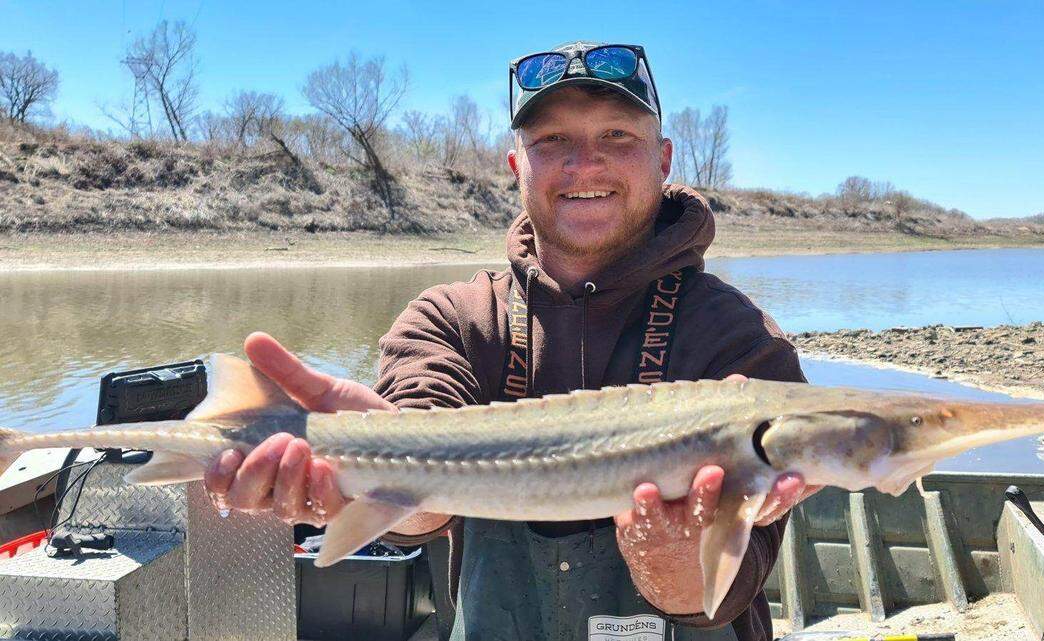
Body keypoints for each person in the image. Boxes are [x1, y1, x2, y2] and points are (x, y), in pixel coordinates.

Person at [205, 41, 816, 641]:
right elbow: (421, 514)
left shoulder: (741, 342)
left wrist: (675, 560)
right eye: (553, 142)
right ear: (516, 166)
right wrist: (371, 465)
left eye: (617, 137)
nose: (585, 164)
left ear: (663, 159)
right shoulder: (452, 318)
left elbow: (721, 596)